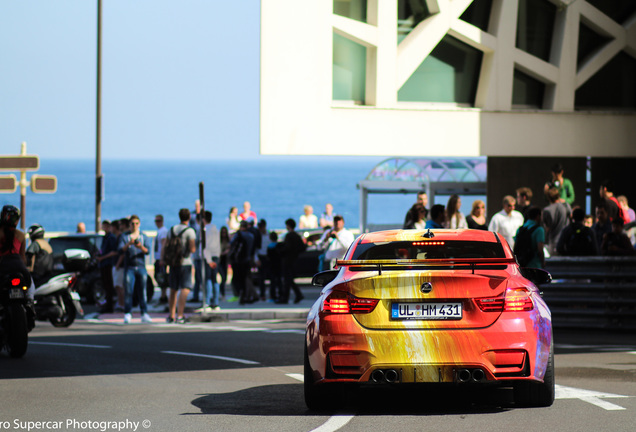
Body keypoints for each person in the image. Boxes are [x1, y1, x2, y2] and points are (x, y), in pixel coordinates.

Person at [0, 205, 34, 328]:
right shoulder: (20, 235)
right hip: (19, 267)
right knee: (30, 284)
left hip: (3, 268)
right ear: (17, 220)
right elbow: (23, 258)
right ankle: (30, 303)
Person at [164, 208, 197, 323]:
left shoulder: (172, 229)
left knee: (173, 289)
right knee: (185, 288)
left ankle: (171, 315)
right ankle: (180, 314)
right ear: (189, 217)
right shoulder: (190, 231)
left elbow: (165, 245)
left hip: (173, 262)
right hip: (185, 262)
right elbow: (192, 248)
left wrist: (164, 260)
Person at [118, 215, 152, 324]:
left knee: (142, 291)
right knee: (128, 291)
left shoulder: (143, 237)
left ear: (139, 224)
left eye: (136, 223)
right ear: (129, 225)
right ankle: (127, 313)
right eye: (132, 224)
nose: (134, 226)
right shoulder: (125, 237)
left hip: (141, 267)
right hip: (130, 267)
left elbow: (147, 251)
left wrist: (140, 247)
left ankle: (144, 313)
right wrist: (129, 244)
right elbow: (120, 250)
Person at [279, 218, 306, 304]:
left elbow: (287, 248)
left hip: (288, 260)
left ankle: (286, 298)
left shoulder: (288, 236)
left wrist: (280, 250)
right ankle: (297, 295)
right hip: (294, 259)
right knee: (289, 279)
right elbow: (302, 247)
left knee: (287, 279)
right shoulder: (297, 236)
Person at [229, 220, 255, 305]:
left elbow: (232, 244)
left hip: (239, 260)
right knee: (246, 278)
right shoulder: (251, 236)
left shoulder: (239, 235)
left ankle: (240, 293)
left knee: (238, 278)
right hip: (247, 259)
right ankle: (247, 294)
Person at [96, 220, 118, 313]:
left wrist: (103, 258)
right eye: (103, 226)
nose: (104, 228)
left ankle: (110, 306)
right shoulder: (105, 237)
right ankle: (107, 305)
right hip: (103, 264)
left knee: (109, 286)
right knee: (106, 286)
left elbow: (114, 251)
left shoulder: (111, 237)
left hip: (108, 264)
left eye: (106, 226)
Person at [542, 187, 571, 256]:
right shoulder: (566, 206)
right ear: (559, 196)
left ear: (548, 198)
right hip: (566, 241)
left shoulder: (547, 210)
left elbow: (547, 228)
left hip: (553, 241)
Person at [201, 210, 221, 310]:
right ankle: (216, 302)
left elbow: (206, 246)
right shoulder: (216, 230)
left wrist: (209, 260)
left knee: (208, 279)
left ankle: (208, 302)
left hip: (209, 256)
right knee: (215, 279)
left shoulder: (205, 230)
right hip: (216, 255)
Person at [153, 214, 169, 304]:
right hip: (158, 257)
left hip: (161, 258)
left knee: (161, 277)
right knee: (159, 276)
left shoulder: (163, 231)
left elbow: (164, 244)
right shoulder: (159, 231)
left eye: (159, 221)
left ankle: (163, 295)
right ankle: (163, 295)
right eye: (156, 221)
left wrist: (162, 258)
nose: (157, 223)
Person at [255, 219, 270, 301]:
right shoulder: (258, 236)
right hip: (261, 257)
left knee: (270, 276)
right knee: (261, 277)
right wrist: (256, 259)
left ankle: (272, 295)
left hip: (268, 257)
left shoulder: (268, 234)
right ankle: (262, 294)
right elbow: (256, 249)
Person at [266, 231, 283, 302]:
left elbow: (268, 257)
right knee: (279, 281)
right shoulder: (280, 245)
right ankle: (280, 295)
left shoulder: (269, 247)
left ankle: (272, 296)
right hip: (279, 265)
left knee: (272, 282)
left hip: (272, 266)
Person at [218, 226, 231, 301]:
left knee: (225, 278)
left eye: (224, 232)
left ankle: (222, 293)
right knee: (222, 276)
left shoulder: (228, 240)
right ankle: (221, 293)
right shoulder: (218, 240)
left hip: (225, 260)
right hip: (220, 260)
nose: (223, 234)